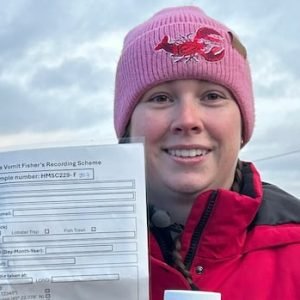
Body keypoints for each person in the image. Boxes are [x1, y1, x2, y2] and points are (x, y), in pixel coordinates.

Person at [113, 6, 300, 300]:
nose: (187, 119)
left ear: (242, 124)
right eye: (160, 98)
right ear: (127, 127)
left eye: (212, 96)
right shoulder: (59, 252)